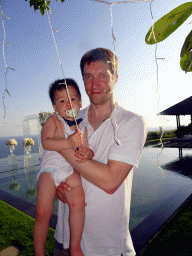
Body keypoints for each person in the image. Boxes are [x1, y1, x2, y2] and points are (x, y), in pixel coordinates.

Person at [53, 48, 147, 256]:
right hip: (66, 240)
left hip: (107, 246)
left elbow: (110, 181)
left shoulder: (131, 123)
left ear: (115, 78)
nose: (94, 85)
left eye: (102, 76)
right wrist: (56, 186)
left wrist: (62, 145)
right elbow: (52, 164)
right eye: (88, 77)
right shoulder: (71, 119)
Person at [34, 78, 94, 256]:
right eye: (62, 101)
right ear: (54, 106)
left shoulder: (83, 127)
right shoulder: (53, 121)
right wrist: (68, 141)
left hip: (69, 169)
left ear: (80, 102)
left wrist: (88, 154)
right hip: (50, 167)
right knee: (43, 211)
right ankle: (39, 252)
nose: (68, 103)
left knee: (78, 201)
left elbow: (85, 149)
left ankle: (74, 246)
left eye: (73, 99)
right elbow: (46, 143)